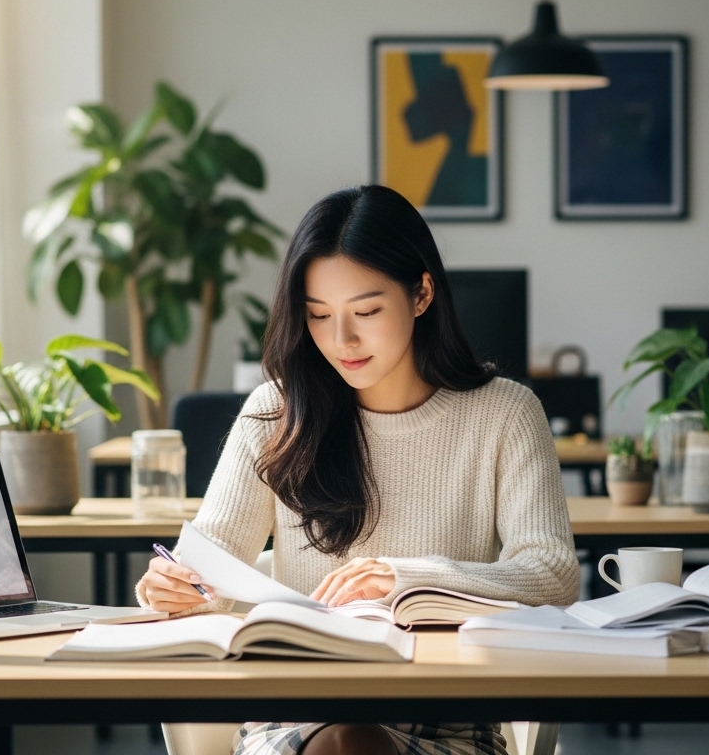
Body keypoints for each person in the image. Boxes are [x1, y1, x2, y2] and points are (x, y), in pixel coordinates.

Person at [136, 184, 579, 755]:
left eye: (366, 312)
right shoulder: (276, 413)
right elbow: (211, 565)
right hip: (296, 718)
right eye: (318, 316)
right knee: (348, 740)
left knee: (356, 743)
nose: (340, 340)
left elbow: (552, 575)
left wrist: (405, 578)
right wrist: (174, 588)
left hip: (450, 726)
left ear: (421, 294)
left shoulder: (504, 413)